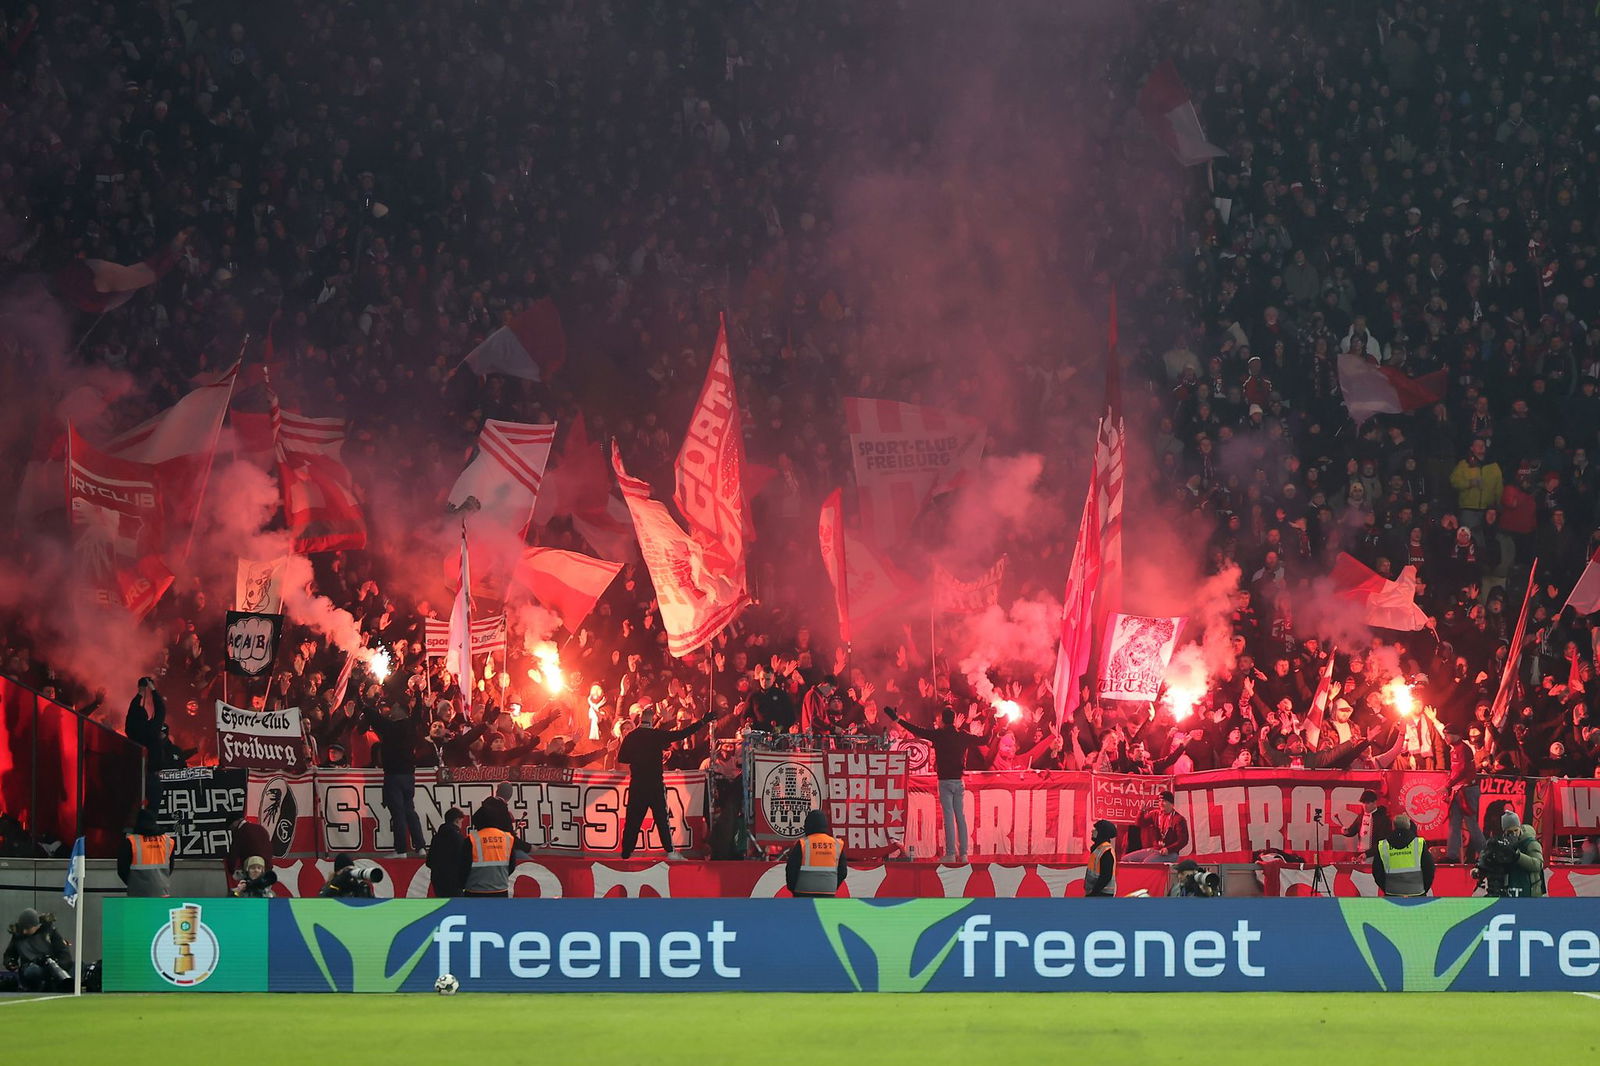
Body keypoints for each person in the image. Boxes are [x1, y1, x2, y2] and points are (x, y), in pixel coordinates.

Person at [884, 706, 989, 862]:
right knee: (960, 817)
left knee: (948, 818)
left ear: (942, 720)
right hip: (959, 781)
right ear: (954, 720)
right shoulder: (962, 736)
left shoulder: (938, 735)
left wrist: (897, 719)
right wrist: (993, 722)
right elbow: (985, 739)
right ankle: (964, 854)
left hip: (944, 782)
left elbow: (916, 730)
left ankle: (951, 854)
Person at [617, 703, 715, 859]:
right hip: (655, 784)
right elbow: (683, 733)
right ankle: (670, 852)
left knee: (632, 821)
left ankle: (626, 854)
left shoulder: (631, 736)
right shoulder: (657, 735)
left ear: (641, 720)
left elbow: (621, 758)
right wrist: (703, 722)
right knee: (662, 820)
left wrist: (637, 758)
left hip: (637, 785)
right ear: (651, 720)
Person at [364, 698, 425, 856]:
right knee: (409, 810)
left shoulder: (390, 727)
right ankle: (420, 846)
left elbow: (373, 716)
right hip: (408, 775)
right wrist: (418, 694)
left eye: (395, 706)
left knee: (398, 813)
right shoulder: (411, 726)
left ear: (401, 710)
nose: (392, 709)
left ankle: (401, 850)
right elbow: (418, 714)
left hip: (393, 776)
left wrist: (365, 701)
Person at [1442, 724, 1487, 864]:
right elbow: (1454, 771)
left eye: (1447, 735)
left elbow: (1460, 770)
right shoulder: (1454, 750)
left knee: (1471, 824)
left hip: (1467, 791)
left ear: (1457, 734)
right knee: (1454, 823)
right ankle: (1452, 855)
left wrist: (1447, 786)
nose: (1445, 738)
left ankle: (1485, 854)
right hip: (1458, 790)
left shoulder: (1463, 749)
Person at [463, 805, 526, 898]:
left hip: (474, 891)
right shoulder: (507, 838)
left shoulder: (472, 839)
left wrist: (462, 884)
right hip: (501, 891)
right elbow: (512, 865)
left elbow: (464, 867)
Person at [1479, 811, 1545, 898]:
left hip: (1530, 892)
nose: (1514, 833)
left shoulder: (1530, 843)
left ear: (1520, 828)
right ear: (1505, 832)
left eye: (1516, 830)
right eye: (1510, 832)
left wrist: (1518, 856)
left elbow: (1538, 865)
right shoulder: (1503, 843)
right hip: (1511, 891)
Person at [3, 909, 72, 993]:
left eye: (28, 928)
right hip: (29, 968)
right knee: (32, 971)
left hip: (50, 968)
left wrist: (58, 966)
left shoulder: (50, 932)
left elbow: (64, 953)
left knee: (74, 966)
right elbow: (9, 954)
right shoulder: (18, 935)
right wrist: (10, 962)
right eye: (23, 928)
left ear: (36, 925)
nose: (24, 931)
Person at [123, 677, 167, 808]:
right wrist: (152, 689)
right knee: (152, 809)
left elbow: (132, 710)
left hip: (134, 776)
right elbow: (160, 709)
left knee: (134, 809)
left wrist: (140, 692)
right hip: (151, 776)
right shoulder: (152, 729)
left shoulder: (130, 729)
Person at [785, 809, 847, 898]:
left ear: (807, 825)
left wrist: (794, 889)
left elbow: (791, 870)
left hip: (802, 892)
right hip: (828, 892)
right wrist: (832, 886)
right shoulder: (837, 844)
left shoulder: (803, 843)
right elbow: (843, 872)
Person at [1372, 815, 1435, 897]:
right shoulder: (1419, 843)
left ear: (1393, 826)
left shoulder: (1383, 845)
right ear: (1409, 826)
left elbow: (1377, 872)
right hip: (1417, 892)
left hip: (1392, 893)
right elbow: (1429, 869)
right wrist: (1423, 889)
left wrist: (1387, 888)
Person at [117, 808, 175, 898]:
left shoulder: (131, 842)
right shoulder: (167, 841)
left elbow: (122, 869)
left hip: (137, 894)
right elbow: (170, 868)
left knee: (138, 912)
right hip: (162, 893)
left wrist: (132, 883)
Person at [1125, 792, 1190, 862]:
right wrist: (1141, 811)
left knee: (1147, 862)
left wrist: (1168, 849)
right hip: (1156, 850)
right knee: (1126, 859)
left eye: (1164, 801)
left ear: (1171, 804)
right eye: (1160, 801)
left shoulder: (1179, 819)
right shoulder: (1155, 814)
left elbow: (1183, 841)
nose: (1161, 803)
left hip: (1171, 853)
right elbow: (1139, 824)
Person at [427, 807, 471, 898]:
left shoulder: (436, 837)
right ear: (457, 820)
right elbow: (464, 861)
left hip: (437, 880)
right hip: (454, 882)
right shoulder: (458, 838)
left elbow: (429, 862)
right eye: (461, 822)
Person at [1335, 790, 1393, 859]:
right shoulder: (1361, 817)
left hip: (1376, 855)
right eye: (1363, 803)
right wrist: (1345, 832)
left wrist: (1368, 853)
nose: (1365, 806)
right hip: (1362, 854)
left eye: (1367, 803)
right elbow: (1352, 831)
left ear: (1375, 802)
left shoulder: (1383, 819)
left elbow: (1382, 841)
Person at [224, 815, 273, 883]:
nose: (232, 830)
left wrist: (231, 869)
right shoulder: (260, 828)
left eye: (231, 828)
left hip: (252, 870)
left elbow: (233, 854)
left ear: (235, 823)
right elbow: (269, 848)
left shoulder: (240, 832)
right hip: (267, 869)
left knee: (250, 891)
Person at [1085, 819, 1118, 897]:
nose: (1092, 831)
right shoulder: (1099, 848)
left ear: (1102, 833)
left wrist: (1093, 893)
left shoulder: (1106, 850)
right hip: (1097, 892)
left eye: (1096, 829)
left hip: (1102, 894)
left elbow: (1106, 876)